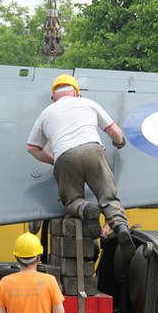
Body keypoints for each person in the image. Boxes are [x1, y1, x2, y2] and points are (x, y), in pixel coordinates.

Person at [27, 74, 133, 254]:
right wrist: (119, 142)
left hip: (65, 156)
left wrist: (54, 161)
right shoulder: (88, 104)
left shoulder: (46, 113)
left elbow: (32, 148)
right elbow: (115, 132)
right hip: (93, 149)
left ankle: (85, 209)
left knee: (72, 200)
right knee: (108, 196)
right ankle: (120, 225)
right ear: (76, 92)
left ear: (54, 97)